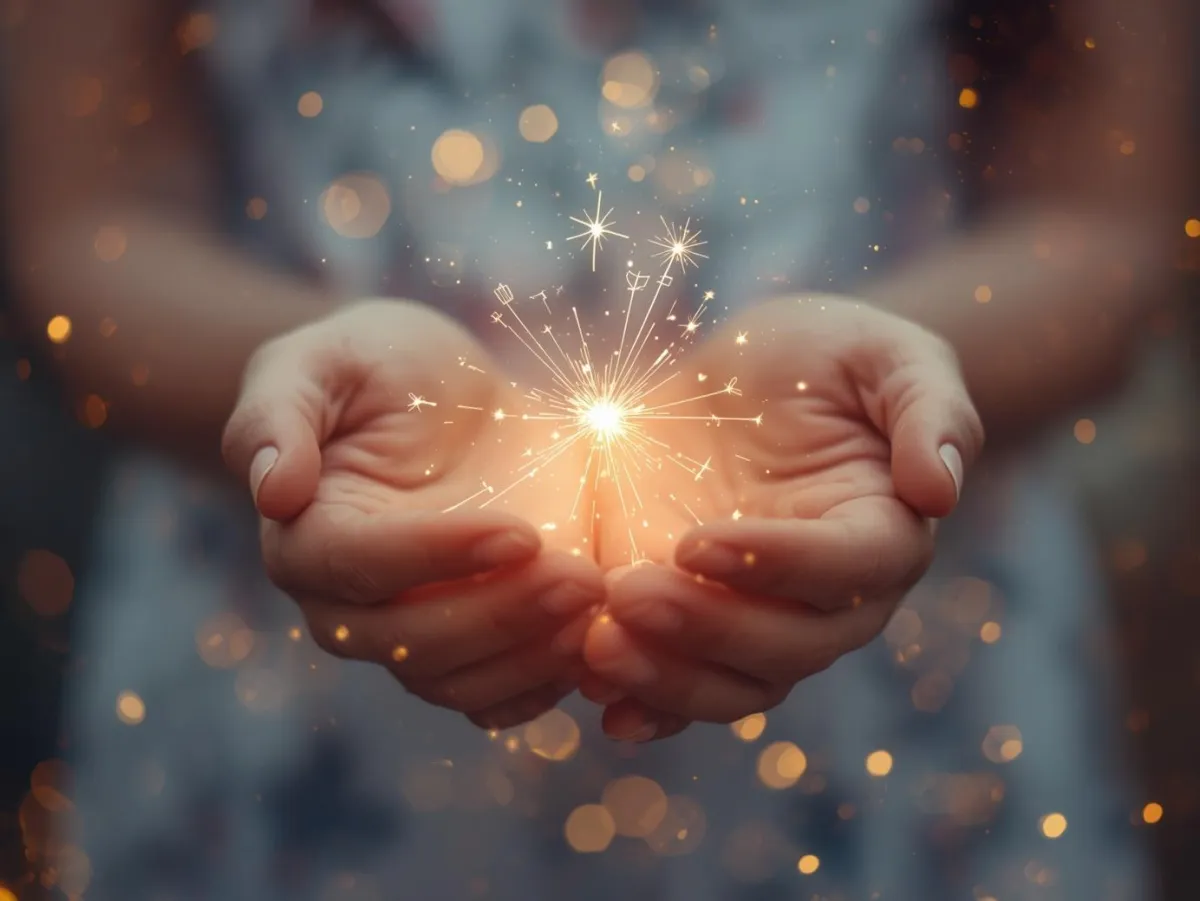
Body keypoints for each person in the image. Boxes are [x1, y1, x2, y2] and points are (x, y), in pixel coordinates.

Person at [3, 0, 1182, 898]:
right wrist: (317, 392)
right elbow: (78, 221)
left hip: (906, 713)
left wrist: (899, 380)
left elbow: (1110, 215)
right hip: (285, 703)